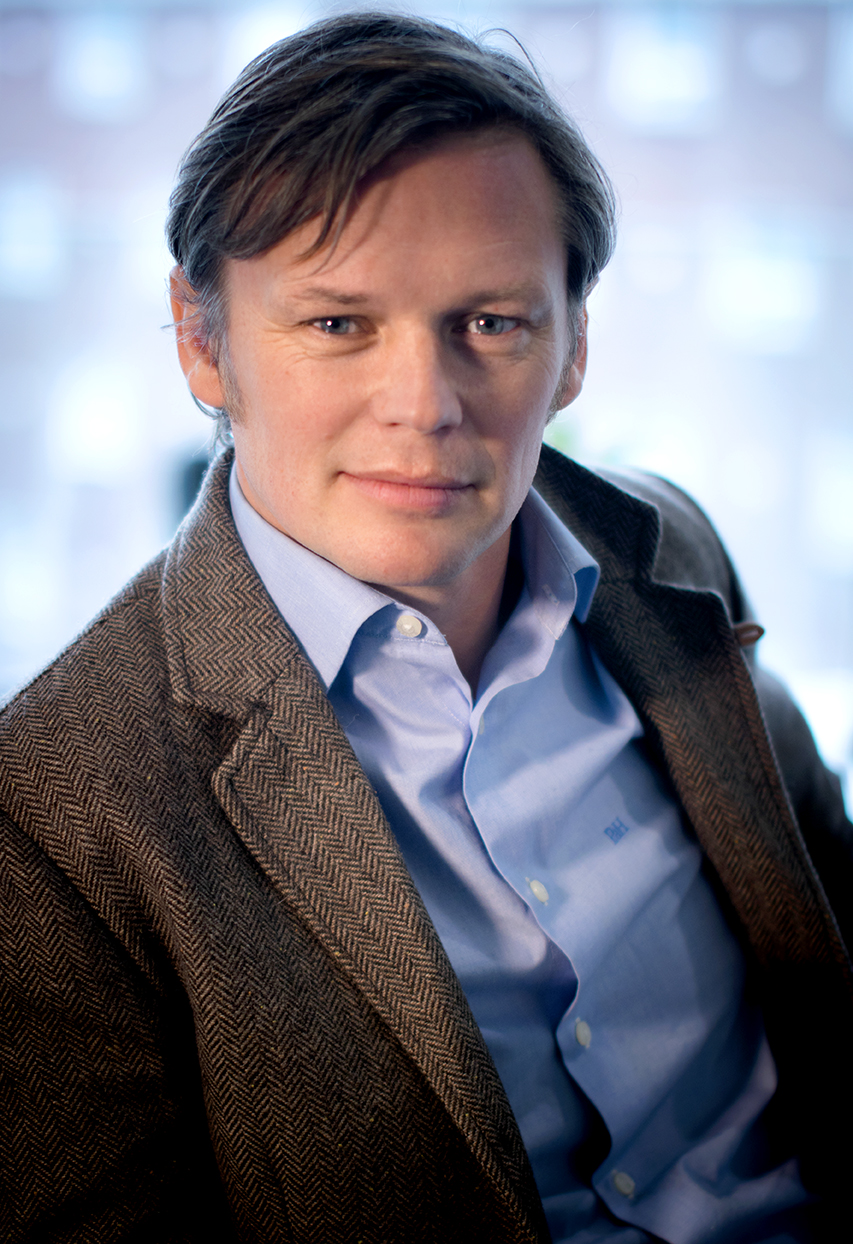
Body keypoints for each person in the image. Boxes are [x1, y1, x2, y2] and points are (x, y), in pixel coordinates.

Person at [1, 12, 851, 1243]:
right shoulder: (51, 805)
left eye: (491, 322)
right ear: (201, 340)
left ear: (573, 346)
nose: (425, 406)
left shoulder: (670, 552)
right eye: (338, 323)